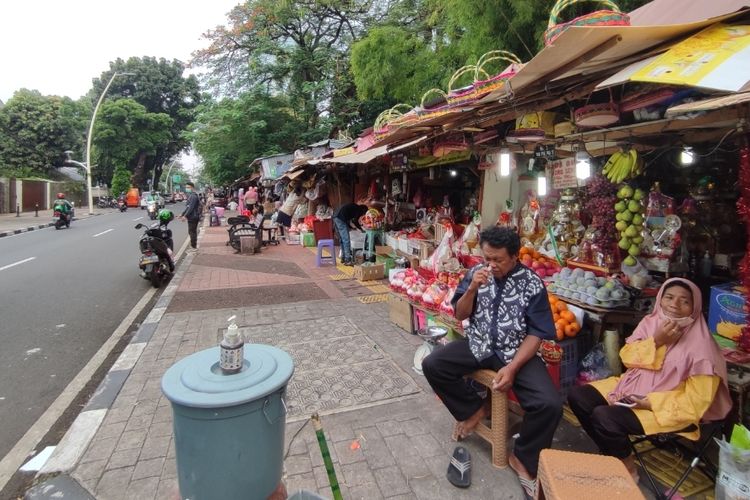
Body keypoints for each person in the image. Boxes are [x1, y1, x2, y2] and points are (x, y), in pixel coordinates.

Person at [421, 226, 561, 496]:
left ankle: (523, 456)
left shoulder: (532, 283)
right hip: (478, 344)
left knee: (549, 404)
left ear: (515, 256)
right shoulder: (476, 273)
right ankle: (475, 410)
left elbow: (536, 333)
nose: (491, 265)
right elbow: (460, 313)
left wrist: (512, 367)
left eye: (498, 259)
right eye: (487, 258)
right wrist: (472, 287)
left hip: (515, 351)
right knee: (433, 364)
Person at [567, 278, 732, 481]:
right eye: (669, 297)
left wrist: (649, 402)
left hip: (666, 407)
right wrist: (658, 340)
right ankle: (612, 453)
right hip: (631, 385)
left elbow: (694, 404)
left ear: (695, 308)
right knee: (578, 396)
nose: (674, 305)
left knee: (605, 417)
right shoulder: (651, 322)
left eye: (684, 301)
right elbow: (627, 357)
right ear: (660, 300)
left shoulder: (703, 349)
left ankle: (626, 468)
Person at [179, 182, 202, 252]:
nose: (187, 189)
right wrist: (182, 214)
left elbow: (191, 208)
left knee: (192, 232)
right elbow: (188, 207)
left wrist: (185, 216)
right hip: (192, 216)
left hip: (193, 216)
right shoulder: (191, 196)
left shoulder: (193, 196)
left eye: (188, 187)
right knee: (191, 231)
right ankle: (193, 246)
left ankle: (193, 247)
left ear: (192, 187)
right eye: (186, 187)